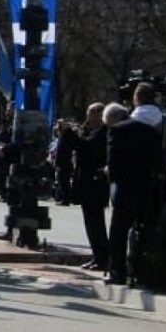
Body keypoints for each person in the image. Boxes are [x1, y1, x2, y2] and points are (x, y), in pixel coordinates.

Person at [105, 85, 164, 286]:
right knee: (143, 229)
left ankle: (117, 271)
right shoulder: (155, 132)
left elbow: (113, 163)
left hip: (124, 186)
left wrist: (112, 180)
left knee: (119, 231)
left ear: (136, 99)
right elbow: (158, 162)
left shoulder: (118, 130)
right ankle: (138, 272)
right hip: (146, 186)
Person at [70, 103, 109, 271]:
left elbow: (87, 148)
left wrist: (71, 135)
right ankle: (97, 256)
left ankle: (102, 258)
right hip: (86, 183)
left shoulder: (103, 132)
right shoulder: (91, 131)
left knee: (96, 223)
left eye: (91, 114)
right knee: (91, 223)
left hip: (95, 184)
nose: (88, 118)